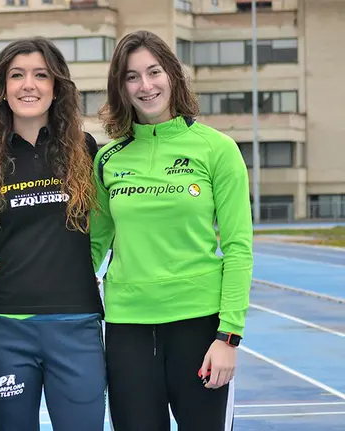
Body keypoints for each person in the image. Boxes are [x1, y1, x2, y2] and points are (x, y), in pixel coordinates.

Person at [91, 30, 253, 431]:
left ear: (173, 75)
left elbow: (237, 247)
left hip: (199, 328)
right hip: (128, 329)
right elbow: (92, 245)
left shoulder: (216, 149)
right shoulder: (108, 159)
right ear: (121, 87)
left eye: (154, 72)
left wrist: (228, 337)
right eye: (132, 77)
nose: (145, 86)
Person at [0, 37, 106, 431]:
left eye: (40, 75)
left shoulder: (85, 150)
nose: (28, 85)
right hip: (6, 328)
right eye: (17, 75)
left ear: (56, 87)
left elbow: (104, 227)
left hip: (76, 324)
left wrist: (83, 268)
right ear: (2, 88)